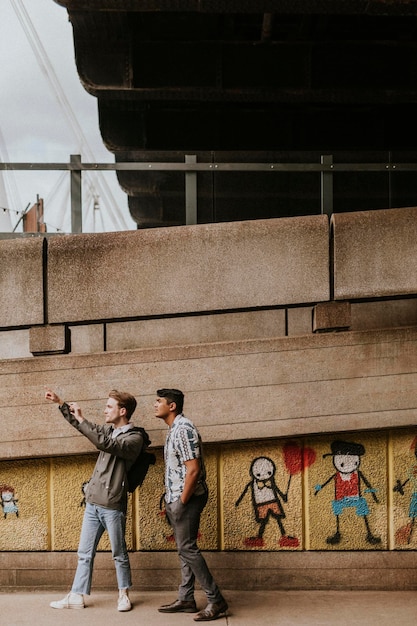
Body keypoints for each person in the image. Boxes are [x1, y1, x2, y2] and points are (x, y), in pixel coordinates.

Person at [45, 387, 144, 612]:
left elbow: (105, 444)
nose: (105, 410)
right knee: (84, 553)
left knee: (119, 553)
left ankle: (124, 595)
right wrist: (62, 403)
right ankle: (77, 596)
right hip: (93, 503)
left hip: (112, 505)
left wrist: (83, 419)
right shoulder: (108, 432)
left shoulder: (134, 438)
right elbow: (85, 428)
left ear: (123, 411)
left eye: (109, 406)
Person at [155, 388, 228, 622]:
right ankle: (186, 598)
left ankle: (216, 600)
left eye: (159, 402)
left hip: (188, 498)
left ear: (172, 406)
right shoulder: (174, 429)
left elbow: (193, 469)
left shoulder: (184, 429)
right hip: (178, 497)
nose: (155, 405)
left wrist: (180, 502)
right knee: (184, 548)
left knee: (187, 548)